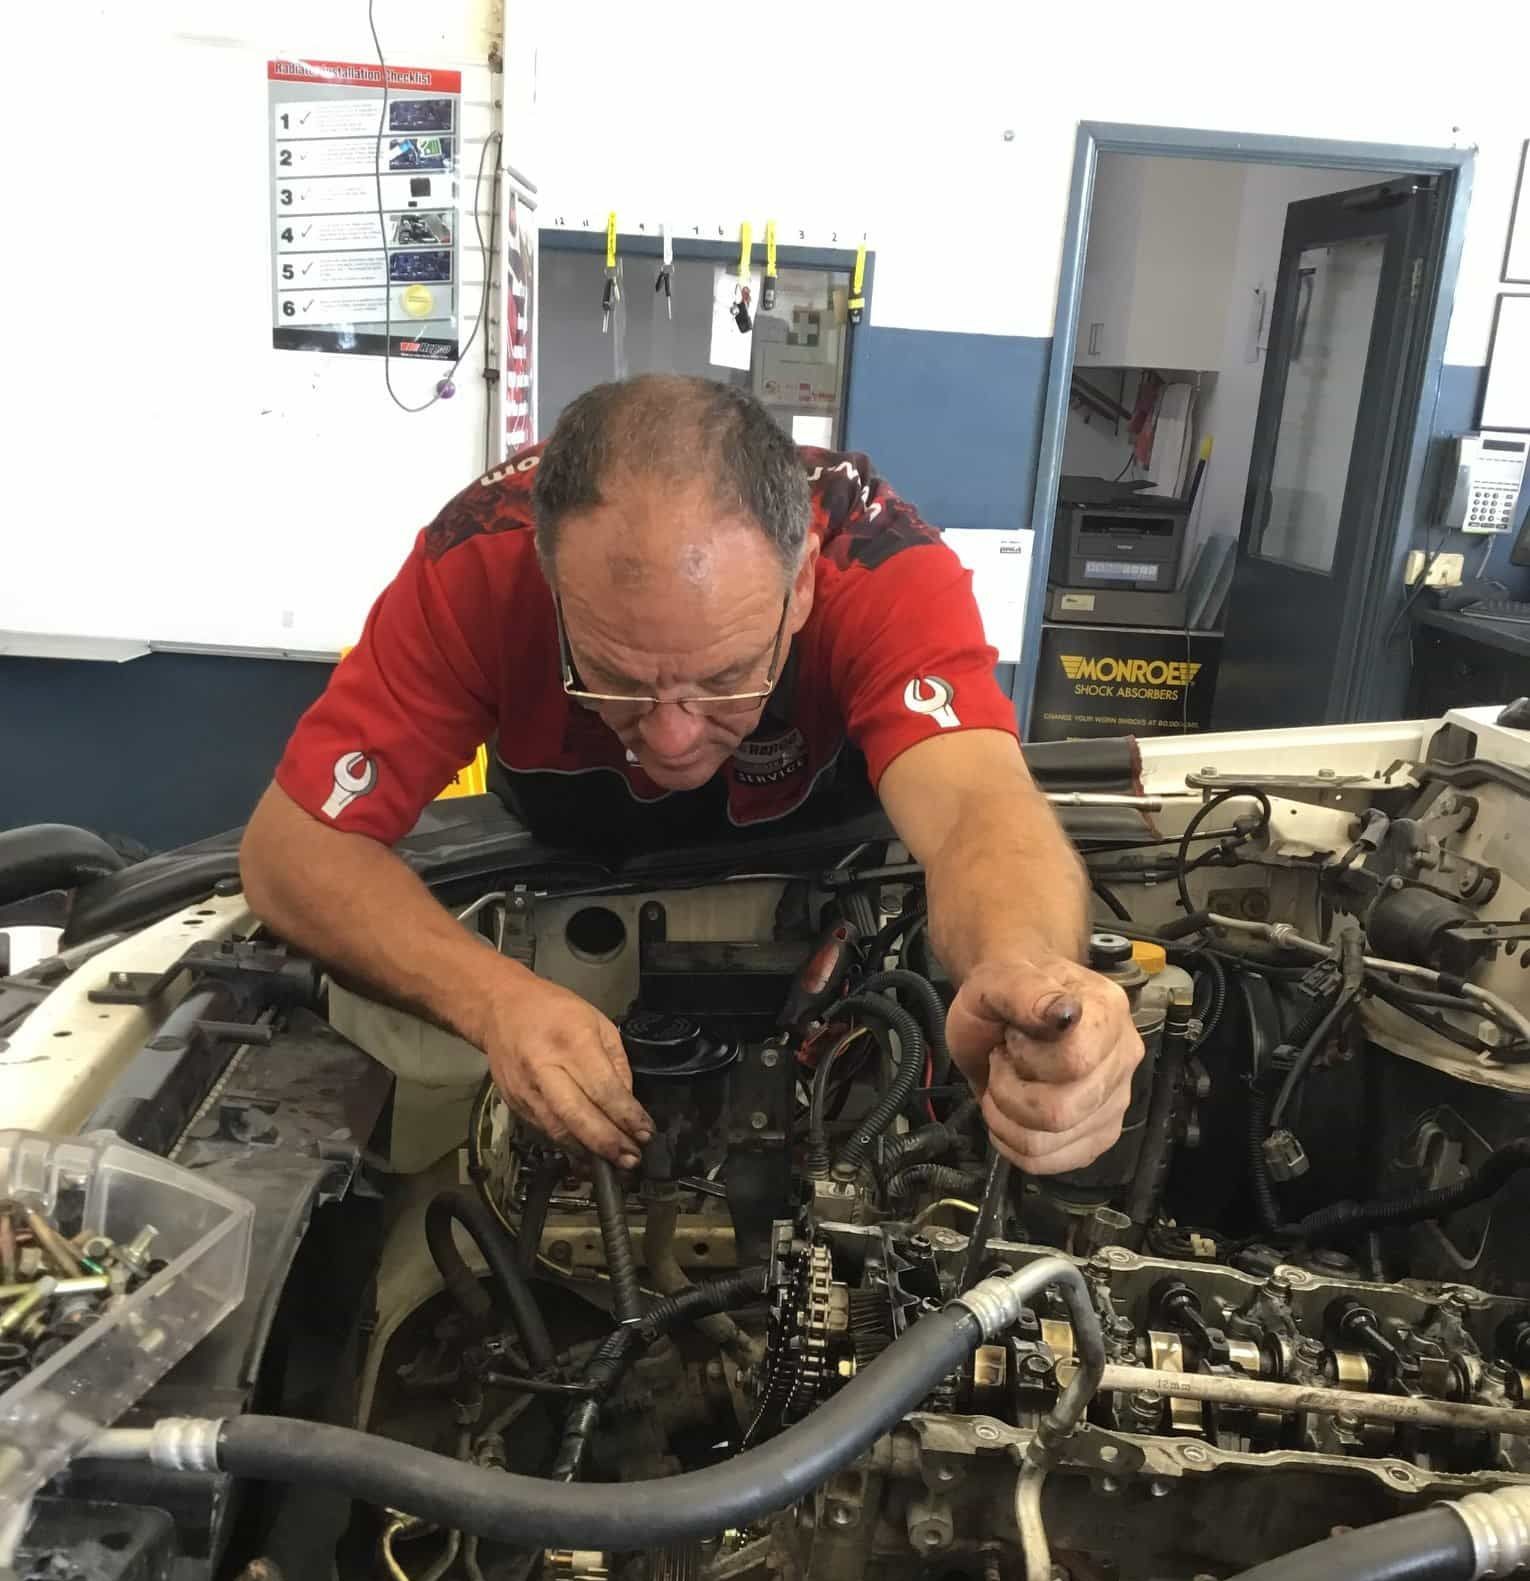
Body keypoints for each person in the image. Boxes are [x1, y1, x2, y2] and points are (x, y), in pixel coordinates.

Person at [241, 375, 1142, 1176]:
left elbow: (978, 810)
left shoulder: (879, 564)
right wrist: (494, 1000)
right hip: (572, 860)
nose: (670, 742)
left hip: (822, 867)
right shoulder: (476, 560)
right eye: (617, 679)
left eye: (724, 680)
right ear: (549, 584)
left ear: (801, 591)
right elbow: (295, 849)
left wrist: (1021, 964)